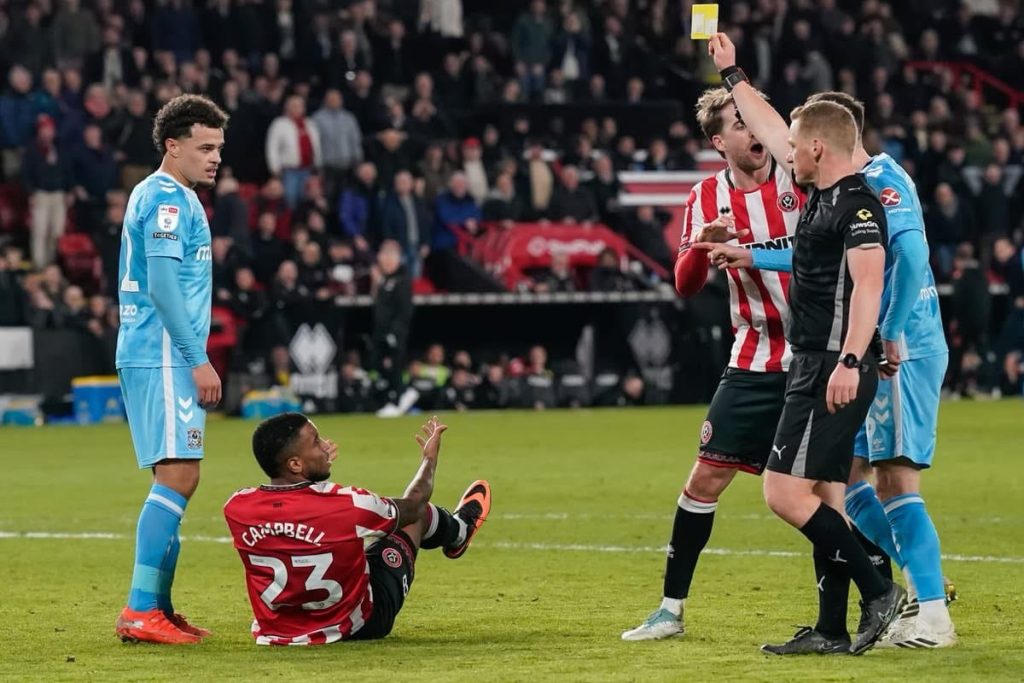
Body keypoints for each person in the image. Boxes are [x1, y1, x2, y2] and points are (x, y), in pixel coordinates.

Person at [704, 36, 956, 649]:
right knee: (846, 480)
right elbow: (813, 246)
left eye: (795, 143)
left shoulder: (879, 185)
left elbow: (909, 258)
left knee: (894, 479)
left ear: (822, 141)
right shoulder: (833, 188)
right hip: (859, 347)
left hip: (898, 346)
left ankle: (930, 611)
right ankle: (899, 591)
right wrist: (732, 74)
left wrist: (890, 333)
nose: (783, 150)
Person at [621, 84, 803, 642]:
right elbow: (684, 284)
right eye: (740, 123)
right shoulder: (705, 196)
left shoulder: (799, 179)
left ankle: (902, 591)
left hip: (813, 357)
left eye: (755, 119)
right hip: (752, 357)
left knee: (836, 490)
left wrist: (750, 252)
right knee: (703, 479)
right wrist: (703, 244)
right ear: (719, 141)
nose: (755, 130)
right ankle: (670, 610)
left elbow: (821, 252)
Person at [114, 94, 228, 645]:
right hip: (162, 354)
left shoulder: (167, 194)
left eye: (219, 148)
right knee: (180, 476)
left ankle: (157, 605)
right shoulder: (165, 199)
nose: (215, 158)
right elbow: (161, 287)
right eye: (204, 148)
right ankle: (140, 609)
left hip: (155, 352)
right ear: (173, 146)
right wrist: (197, 359)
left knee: (174, 477)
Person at [223, 413, 491, 644]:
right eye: (316, 442)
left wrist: (313, 470)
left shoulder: (236, 507)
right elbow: (414, 504)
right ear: (295, 464)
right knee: (414, 516)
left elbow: (294, 512)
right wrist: (428, 459)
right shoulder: (348, 504)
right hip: (359, 626)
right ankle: (459, 532)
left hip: (278, 633)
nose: (325, 445)